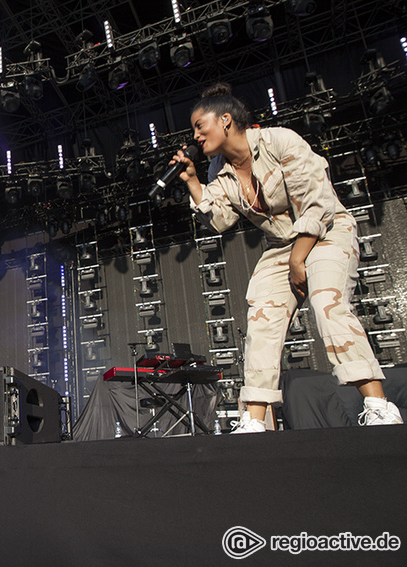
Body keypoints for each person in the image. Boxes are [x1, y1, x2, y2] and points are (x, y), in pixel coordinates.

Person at [172, 83, 403, 432]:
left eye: (199, 126)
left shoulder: (278, 140)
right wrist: (192, 182)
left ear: (226, 120)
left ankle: (379, 405)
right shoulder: (217, 168)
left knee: (328, 302)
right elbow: (221, 220)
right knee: (261, 320)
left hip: (326, 230)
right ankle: (254, 420)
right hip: (281, 245)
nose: (195, 136)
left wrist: (300, 259)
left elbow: (317, 200)